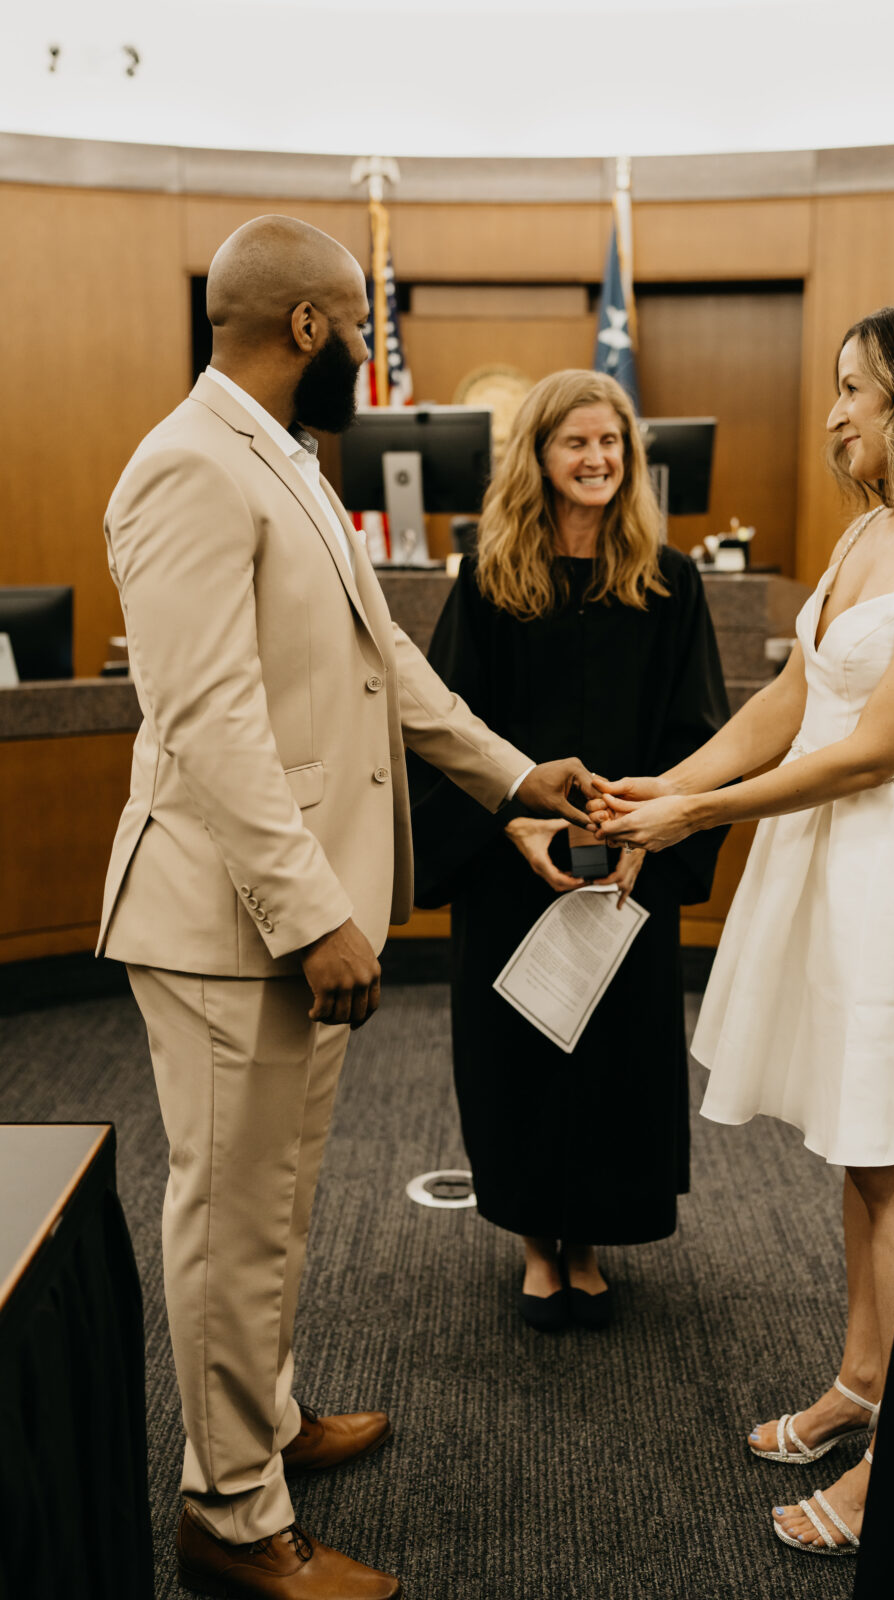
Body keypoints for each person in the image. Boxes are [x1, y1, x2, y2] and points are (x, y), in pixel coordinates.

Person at [98, 215, 597, 1600]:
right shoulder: (188, 466)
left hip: (296, 916)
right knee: (230, 1213)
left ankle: (261, 1425)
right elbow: (206, 722)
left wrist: (512, 780)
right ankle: (232, 1516)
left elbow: (385, 670)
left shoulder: (292, 466)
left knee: (282, 1205)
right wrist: (314, 910)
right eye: (364, 324)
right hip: (229, 920)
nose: (377, 354)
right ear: (308, 327)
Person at [591, 300, 894, 1553]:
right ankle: (859, 1376)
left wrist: (703, 817)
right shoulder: (865, 539)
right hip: (827, 865)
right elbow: (791, 700)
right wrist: (669, 786)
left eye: (854, 388)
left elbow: (869, 750)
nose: (833, 411)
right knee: (857, 1149)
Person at [407, 369, 730, 1332]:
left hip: (629, 865)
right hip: (514, 864)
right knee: (522, 1052)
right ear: (538, 459)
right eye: (574, 443)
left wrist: (651, 829)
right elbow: (447, 726)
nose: (596, 460)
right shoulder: (489, 577)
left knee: (614, 1055)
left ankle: (587, 1240)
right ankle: (535, 1243)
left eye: (611, 444)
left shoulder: (669, 582)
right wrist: (511, 821)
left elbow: (698, 726)